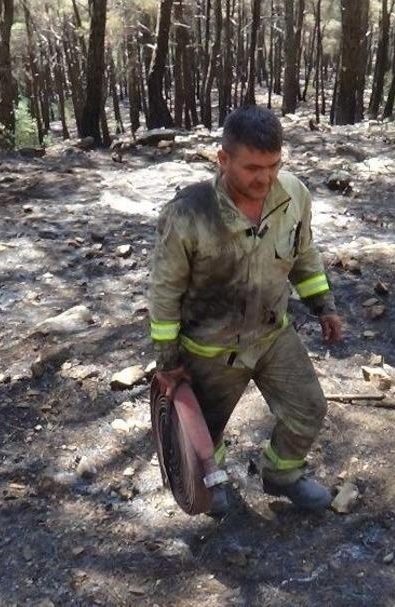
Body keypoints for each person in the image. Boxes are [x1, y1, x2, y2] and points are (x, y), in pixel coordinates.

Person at [147, 105, 343, 516]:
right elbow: (165, 290)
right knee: (207, 428)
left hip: (272, 334)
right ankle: (209, 481)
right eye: (253, 167)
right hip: (210, 348)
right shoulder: (188, 213)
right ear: (223, 159)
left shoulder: (294, 196)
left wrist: (323, 305)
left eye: (273, 166)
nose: (265, 178)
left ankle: (282, 475)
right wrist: (167, 361)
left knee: (308, 408)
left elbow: (304, 255)